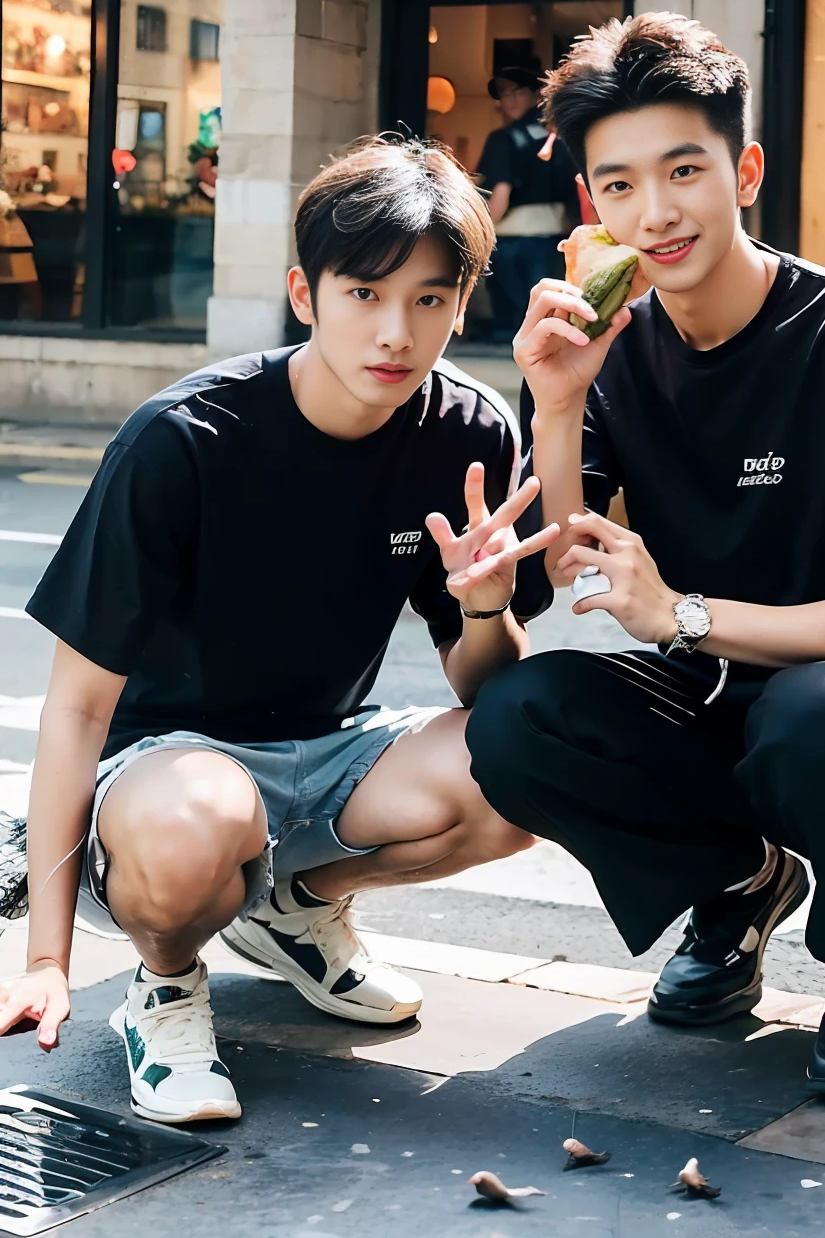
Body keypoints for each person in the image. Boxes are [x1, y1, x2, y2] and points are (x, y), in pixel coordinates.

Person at [466, 13, 825, 1101]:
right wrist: (558, 404)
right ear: (591, 205)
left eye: (683, 171)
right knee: (519, 718)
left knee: (818, 715)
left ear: (744, 171)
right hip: (721, 698)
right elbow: (578, 566)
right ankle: (741, 880)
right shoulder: (614, 346)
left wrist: (681, 614)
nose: (654, 212)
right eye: (617, 185)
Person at [0, 137, 557, 1125]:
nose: (395, 332)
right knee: (198, 822)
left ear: (462, 306)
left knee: (531, 756)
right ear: (305, 294)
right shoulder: (184, 441)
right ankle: (165, 987)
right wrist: (46, 958)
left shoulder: (466, 434)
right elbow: (78, 711)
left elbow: (487, 692)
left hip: (326, 754)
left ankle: (291, 910)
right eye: (364, 295)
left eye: (429, 299)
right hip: (160, 782)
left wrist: (482, 608)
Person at [477, 60, 578, 341]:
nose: (509, 99)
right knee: (547, 319)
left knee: (510, 328)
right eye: (503, 93)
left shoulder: (504, 139)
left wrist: (478, 235)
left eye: (517, 91)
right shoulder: (562, 138)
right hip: (556, 241)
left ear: (537, 95)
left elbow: (501, 194)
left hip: (511, 242)